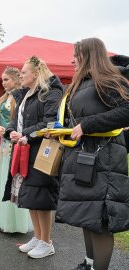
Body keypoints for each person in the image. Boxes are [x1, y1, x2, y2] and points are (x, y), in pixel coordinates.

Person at [55, 38, 129, 270]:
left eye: (76, 55)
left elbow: (126, 111)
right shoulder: (81, 83)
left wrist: (88, 125)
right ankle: (88, 264)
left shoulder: (108, 79)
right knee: (87, 214)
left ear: (88, 55)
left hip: (103, 161)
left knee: (101, 221)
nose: (71, 60)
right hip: (84, 158)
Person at [5, 56, 63, 258]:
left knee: (41, 197)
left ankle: (47, 242)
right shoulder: (26, 94)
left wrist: (25, 134)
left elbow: (49, 122)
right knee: (30, 196)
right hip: (24, 150)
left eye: (23, 72)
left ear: (36, 74)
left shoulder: (50, 92)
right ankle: (38, 237)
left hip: (40, 152)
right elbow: (16, 120)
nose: (20, 75)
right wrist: (11, 131)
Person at [0, 67, 32, 233]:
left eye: (6, 79)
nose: (3, 83)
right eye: (2, 80)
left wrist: (8, 132)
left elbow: (22, 122)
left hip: (12, 144)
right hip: (0, 144)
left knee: (10, 178)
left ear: (16, 79)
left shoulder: (22, 98)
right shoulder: (3, 98)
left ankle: (12, 222)